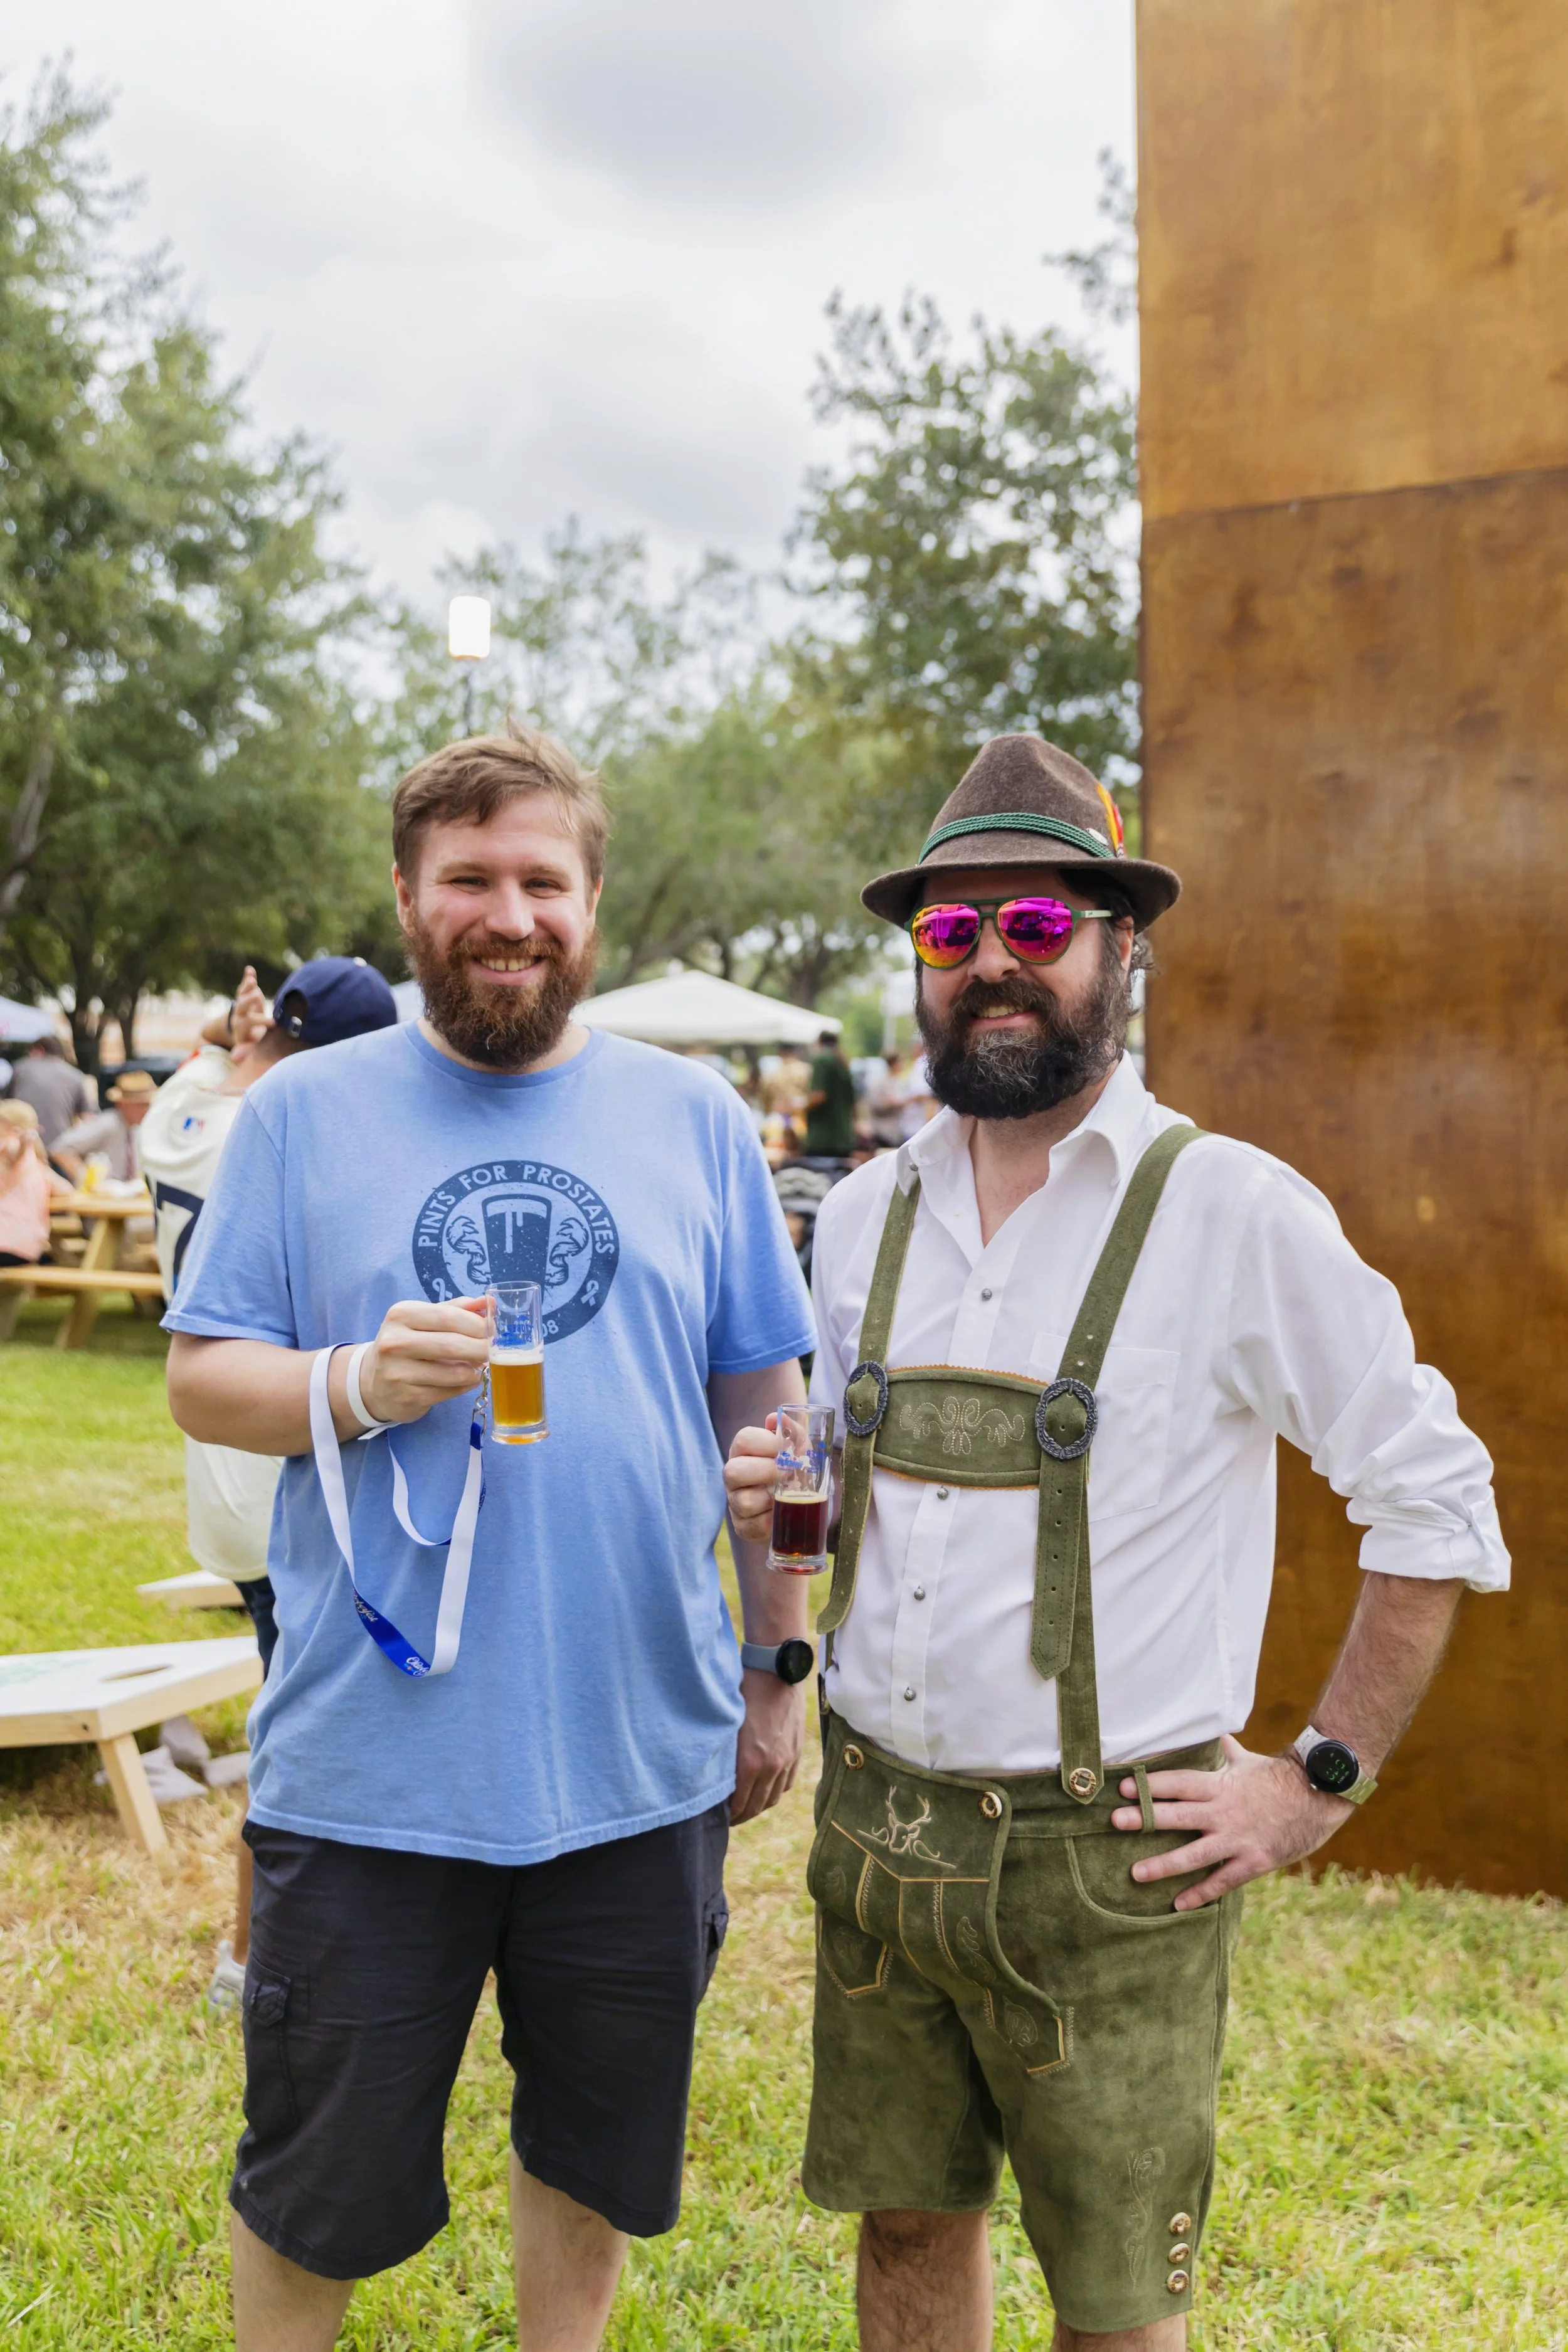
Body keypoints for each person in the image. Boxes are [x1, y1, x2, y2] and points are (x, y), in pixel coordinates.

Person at [724, 733, 1508, 2352]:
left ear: (1118, 945)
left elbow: (1431, 1497)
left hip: (1111, 1862)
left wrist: (1311, 1782)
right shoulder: (862, 1214)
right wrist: (780, 1575)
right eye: (951, 933)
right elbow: (823, 1473)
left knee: (1113, 2297)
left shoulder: (1233, 1210)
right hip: (879, 1834)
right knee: (901, 2231)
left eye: (1033, 924)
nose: (991, 962)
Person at [162, 721, 817, 2352]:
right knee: (310, 2177)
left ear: (590, 900)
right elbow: (200, 1373)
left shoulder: (693, 1118)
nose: (505, 910)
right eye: (469, 877)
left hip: (635, 1757)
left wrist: (776, 1655)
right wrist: (356, 1379)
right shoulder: (302, 1114)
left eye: (540, 877)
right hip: (371, 1763)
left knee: (590, 2157)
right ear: (407, 893)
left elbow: (770, 1404)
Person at [137, 956, 399, 2010]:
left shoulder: (186, 1116)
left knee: (297, 1709)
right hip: (288, 1453)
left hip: (222, 1470)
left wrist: (225, 1036)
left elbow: (209, 1063)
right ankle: (253, 1959)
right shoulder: (299, 1134)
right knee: (304, 1732)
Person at [52, 1067, 157, 1184]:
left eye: (148, 1105)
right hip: (103, 1198)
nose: (147, 1110)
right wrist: (87, 1180)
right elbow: (60, 1149)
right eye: (141, 1105)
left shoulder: (137, 1129)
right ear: (122, 1104)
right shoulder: (107, 1124)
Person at [0, 1099, 72, 1265]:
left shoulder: (10, 1147)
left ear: (6, 1125)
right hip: (30, 1247)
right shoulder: (38, 1163)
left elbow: (14, 1152)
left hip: (6, 1245)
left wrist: (23, 1143)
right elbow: (66, 1190)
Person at [5, 1034, 94, 1149]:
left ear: (39, 1050)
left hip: (23, 1146)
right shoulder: (77, 1076)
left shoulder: (21, 1068)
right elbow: (88, 1117)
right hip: (60, 1149)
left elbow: (6, 1107)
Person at [802, 1027, 857, 1160]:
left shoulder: (822, 1060)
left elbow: (819, 1096)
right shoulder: (843, 1062)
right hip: (842, 1137)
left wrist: (799, 1107)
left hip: (823, 1139)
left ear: (819, 1041)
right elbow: (853, 1102)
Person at [864, 1050, 911, 1152]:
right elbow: (874, 1104)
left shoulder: (901, 1082)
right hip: (882, 1131)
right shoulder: (880, 1083)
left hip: (898, 1130)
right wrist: (888, 1103)